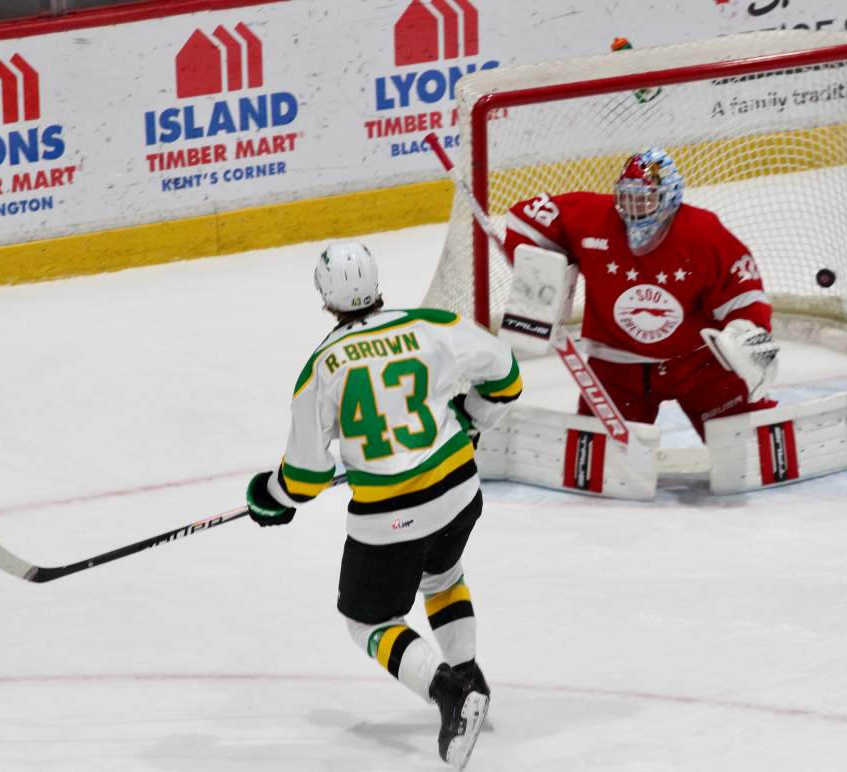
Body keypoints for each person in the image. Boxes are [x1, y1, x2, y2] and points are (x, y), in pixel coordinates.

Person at [245, 241, 521, 769]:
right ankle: (471, 677)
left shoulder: (322, 367)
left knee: (368, 619)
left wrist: (270, 497)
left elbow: (305, 476)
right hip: (460, 493)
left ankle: (450, 692)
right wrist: (472, 415)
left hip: (392, 518)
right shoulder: (431, 325)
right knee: (442, 576)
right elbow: (507, 374)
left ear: (325, 297)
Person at [503, 148, 780, 439]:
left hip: (698, 362)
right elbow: (524, 219)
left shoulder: (703, 232)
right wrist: (542, 274)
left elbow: (743, 291)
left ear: (670, 197)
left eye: (644, 198)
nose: (633, 207)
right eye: (626, 197)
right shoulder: (591, 216)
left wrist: (746, 328)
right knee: (602, 460)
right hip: (617, 365)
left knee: (747, 444)